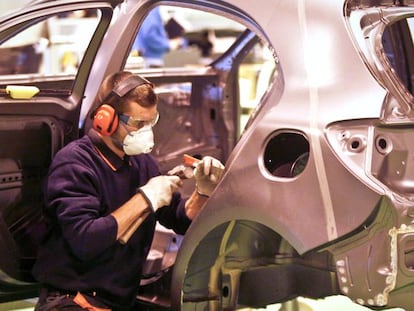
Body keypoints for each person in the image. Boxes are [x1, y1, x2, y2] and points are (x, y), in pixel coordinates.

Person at [32, 70, 224, 310]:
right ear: (106, 119)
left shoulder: (143, 163)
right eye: (138, 123)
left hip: (120, 301)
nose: (146, 131)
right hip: (74, 300)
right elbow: (86, 240)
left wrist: (203, 192)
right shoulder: (74, 164)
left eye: (151, 121)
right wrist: (146, 198)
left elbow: (180, 218)